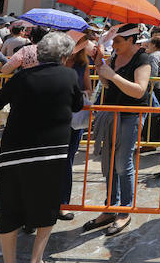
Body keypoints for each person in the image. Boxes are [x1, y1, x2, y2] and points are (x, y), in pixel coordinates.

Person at [0, 31, 83, 263]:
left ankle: (10, 260)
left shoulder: (22, 77)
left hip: (15, 149)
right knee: (47, 203)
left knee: (9, 205)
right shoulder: (68, 76)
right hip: (52, 150)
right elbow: (78, 104)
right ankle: (36, 259)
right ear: (65, 56)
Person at [82, 23, 151, 236]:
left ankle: (124, 209)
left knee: (123, 162)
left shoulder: (143, 59)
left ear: (131, 40)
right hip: (112, 113)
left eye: (118, 42)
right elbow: (109, 84)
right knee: (110, 162)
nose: (115, 45)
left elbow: (139, 91)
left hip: (130, 115)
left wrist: (112, 75)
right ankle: (111, 207)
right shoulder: (115, 57)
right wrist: (100, 66)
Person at [59, 36, 96, 221]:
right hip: (55, 115)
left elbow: (89, 88)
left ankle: (62, 204)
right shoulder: (56, 60)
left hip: (74, 116)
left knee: (68, 159)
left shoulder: (83, 63)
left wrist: (82, 93)